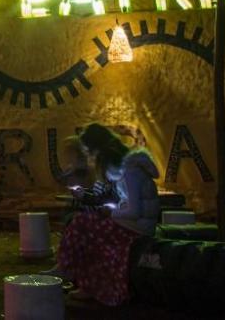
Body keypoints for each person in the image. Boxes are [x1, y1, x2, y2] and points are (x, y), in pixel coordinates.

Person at [45, 123, 161, 305]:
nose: (90, 159)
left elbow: (133, 210)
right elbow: (113, 198)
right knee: (84, 226)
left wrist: (111, 212)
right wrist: (85, 196)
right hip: (131, 224)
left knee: (82, 224)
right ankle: (81, 281)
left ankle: (67, 269)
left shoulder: (130, 173)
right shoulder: (122, 171)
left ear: (98, 151)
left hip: (137, 229)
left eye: (89, 153)